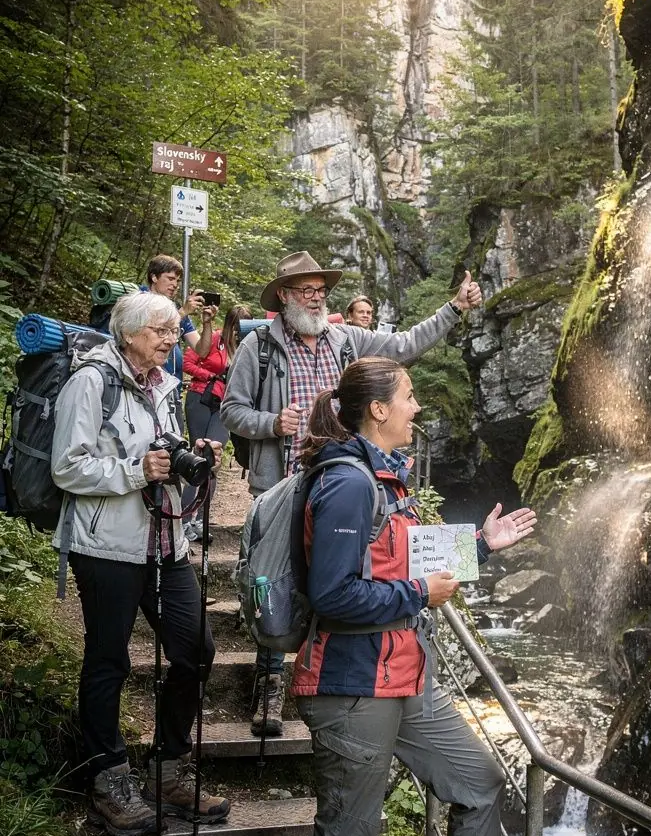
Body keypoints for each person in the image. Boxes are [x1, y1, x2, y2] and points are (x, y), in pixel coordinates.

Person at [290, 358, 564, 836]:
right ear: (378, 409)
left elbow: (404, 558)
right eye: (409, 397)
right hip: (352, 686)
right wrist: (420, 597)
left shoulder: (385, 477)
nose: (418, 407)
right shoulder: (349, 483)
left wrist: (480, 548)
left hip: (404, 677)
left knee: (478, 781)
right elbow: (333, 595)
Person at [221, 249, 482, 738]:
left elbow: (404, 345)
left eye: (321, 290)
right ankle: (270, 684)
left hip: (344, 484)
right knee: (278, 580)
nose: (316, 298)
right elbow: (231, 410)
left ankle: (331, 680)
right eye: (306, 290)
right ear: (284, 296)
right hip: (283, 486)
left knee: (341, 579)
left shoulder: (347, 340)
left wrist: (454, 308)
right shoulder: (259, 347)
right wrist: (271, 422)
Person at [51, 290, 231, 836]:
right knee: (109, 660)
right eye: (161, 330)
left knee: (195, 650)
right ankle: (109, 780)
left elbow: (160, 450)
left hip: (164, 542)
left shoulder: (164, 385)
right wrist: (136, 470)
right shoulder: (90, 382)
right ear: (128, 333)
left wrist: (189, 454)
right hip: (106, 546)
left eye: (174, 330)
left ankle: (166, 769)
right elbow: (67, 467)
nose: (171, 339)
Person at [182, 303, 252, 541]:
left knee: (212, 460)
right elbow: (188, 363)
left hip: (225, 405)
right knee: (198, 457)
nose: (237, 333)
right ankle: (184, 520)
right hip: (201, 398)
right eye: (235, 327)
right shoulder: (212, 339)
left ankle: (201, 519)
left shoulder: (249, 347)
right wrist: (211, 376)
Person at [140, 254, 216, 382]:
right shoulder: (139, 300)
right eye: (170, 279)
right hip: (146, 381)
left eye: (177, 280)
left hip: (172, 385)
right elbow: (147, 333)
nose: (175, 284)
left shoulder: (175, 308)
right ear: (154, 277)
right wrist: (182, 313)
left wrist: (207, 322)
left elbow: (202, 351)